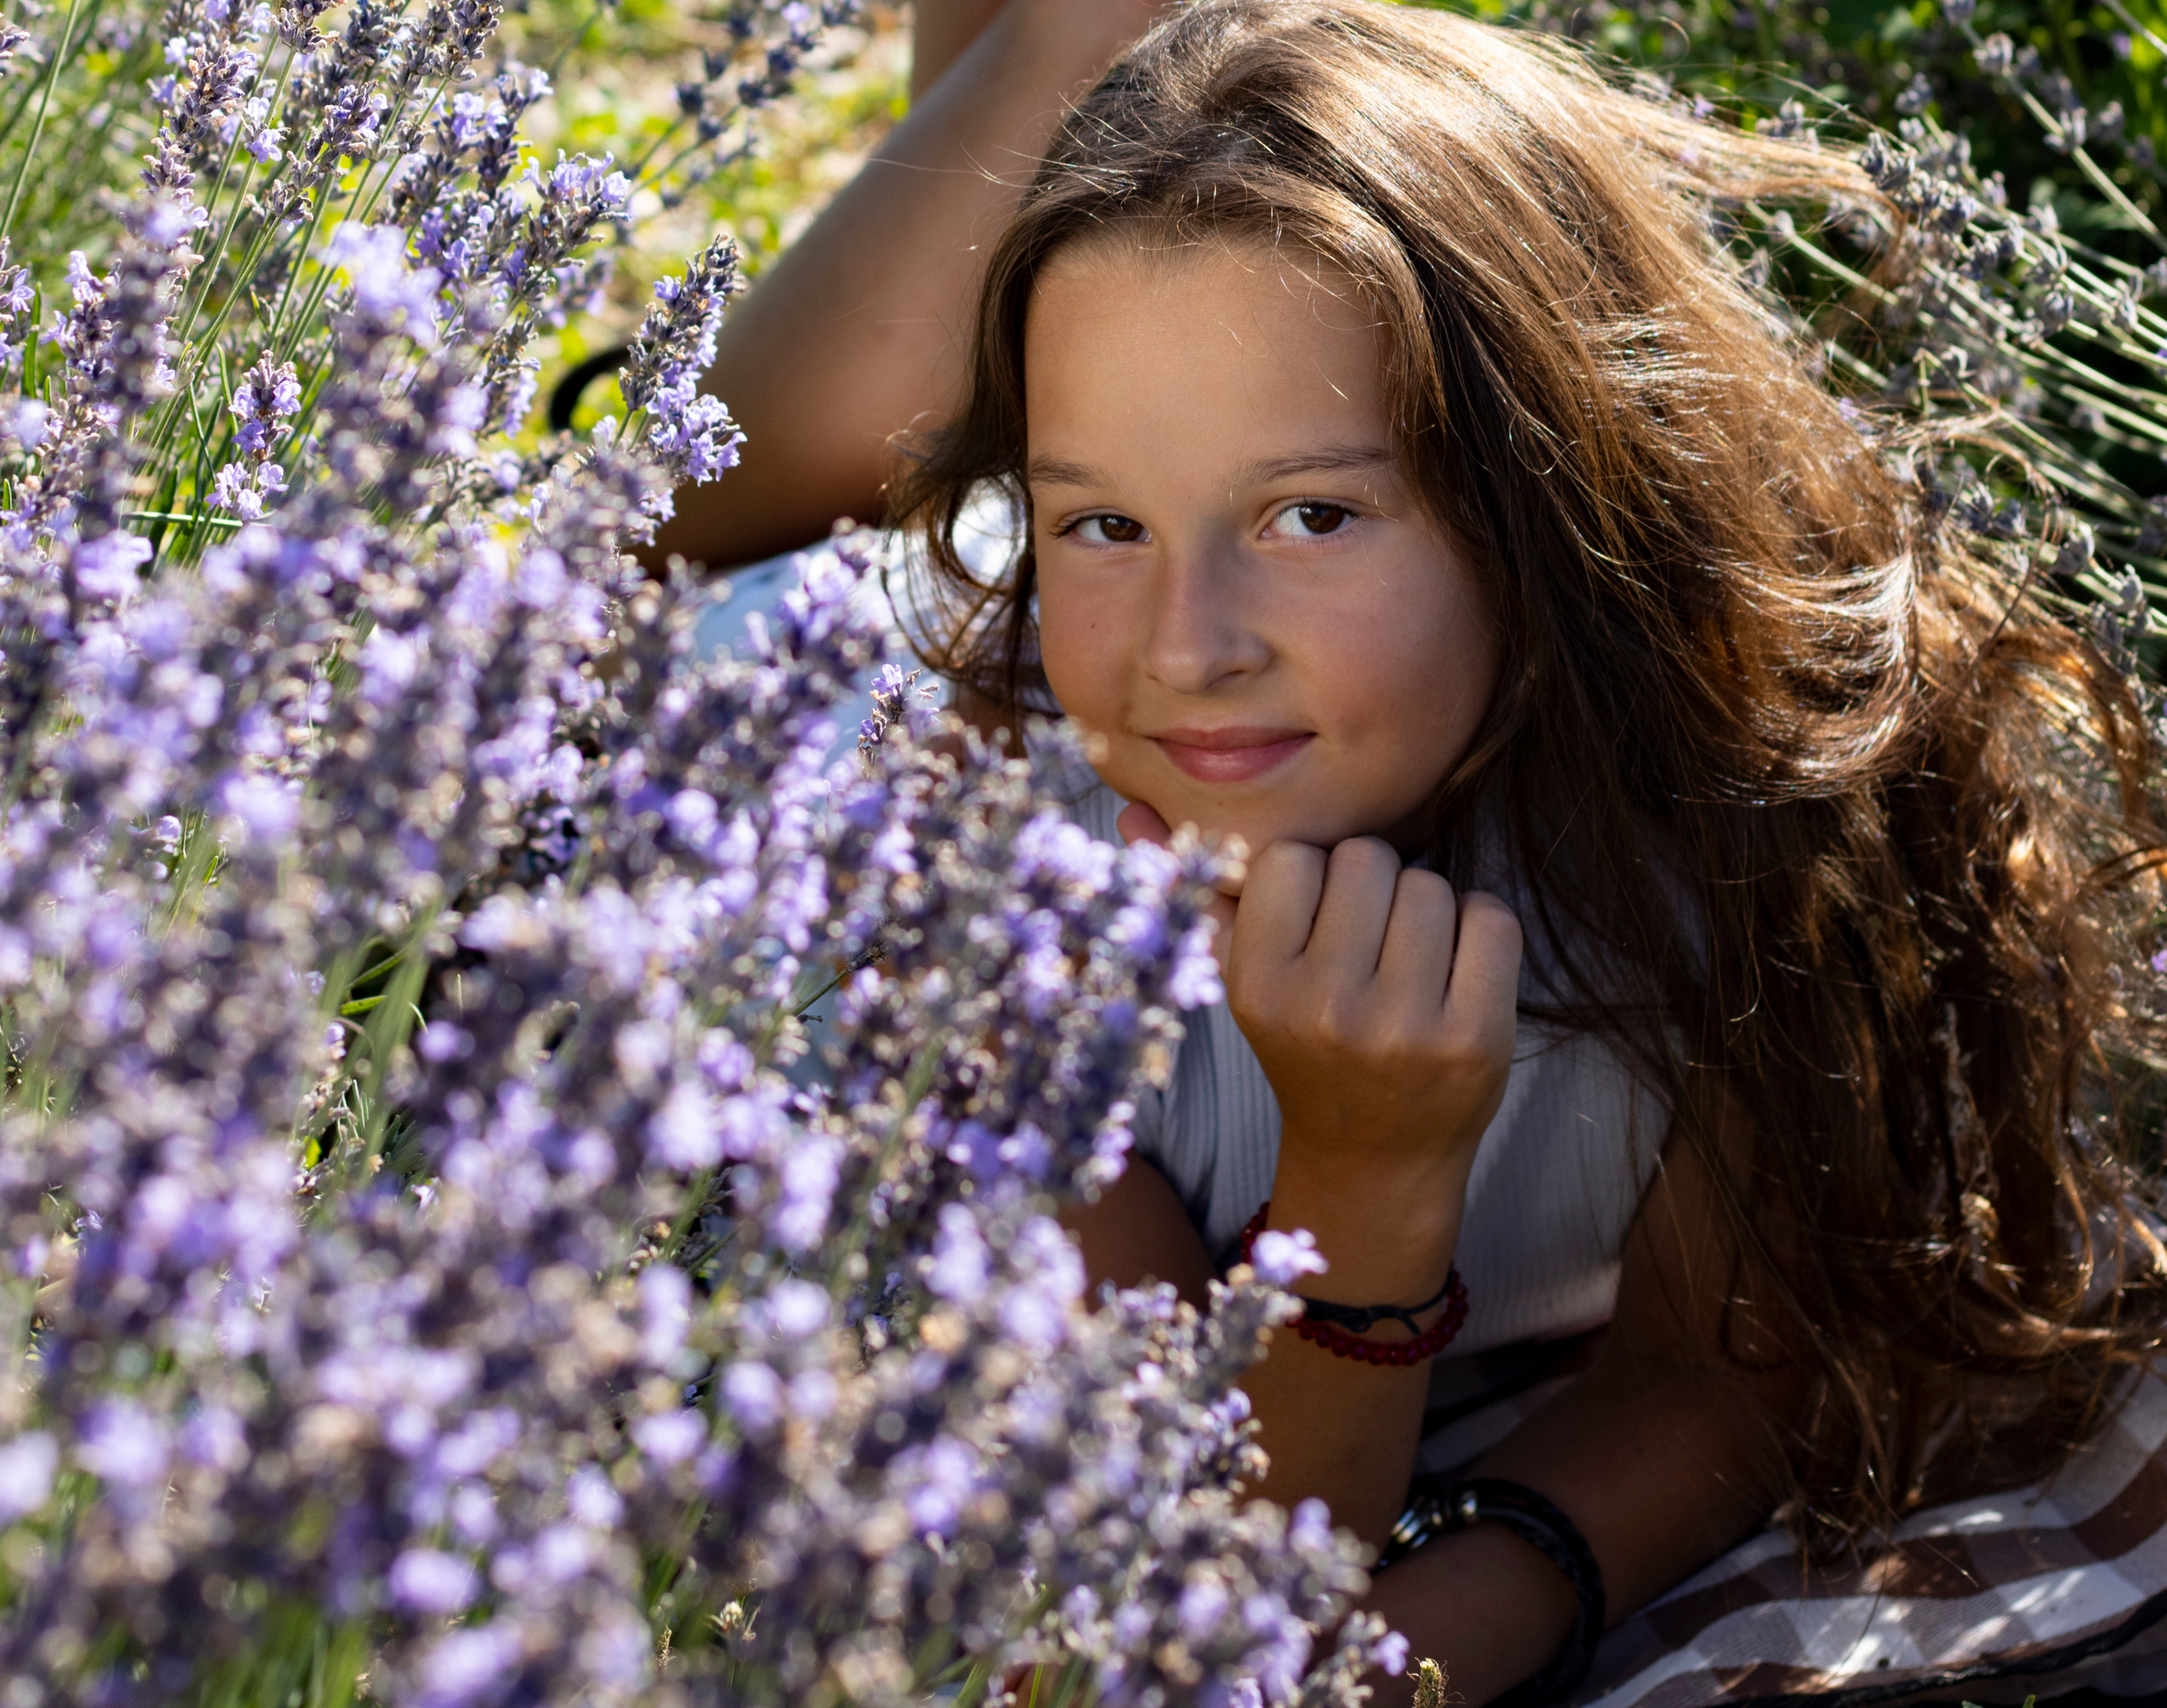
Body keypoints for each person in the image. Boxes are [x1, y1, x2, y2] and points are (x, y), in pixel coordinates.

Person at [664, 2, 2167, 1703]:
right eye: (1111, 524)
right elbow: (1201, 1554)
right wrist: (1365, 1181)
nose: (1190, 646)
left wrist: (1464, 1614)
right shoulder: (971, 873)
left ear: (1561, 496)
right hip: (808, 674)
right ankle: (1044, 68)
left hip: (1027, 566)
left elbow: (1727, 1367)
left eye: (1314, 515)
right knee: (667, 543)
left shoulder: (1751, 805)